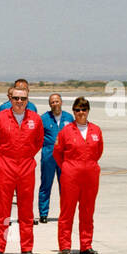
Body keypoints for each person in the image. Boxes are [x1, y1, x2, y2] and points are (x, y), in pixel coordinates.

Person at [0, 78, 43, 254]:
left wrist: (25, 158)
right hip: (6, 168)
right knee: (3, 211)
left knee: (26, 211)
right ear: (10, 99)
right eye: (16, 98)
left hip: (26, 168)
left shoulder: (35, 119)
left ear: (28, 100)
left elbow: (38, 142)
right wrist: (2, 161)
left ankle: (26, 249)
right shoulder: (0, 118)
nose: (20, 102)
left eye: (23, 99)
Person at [54, 97, 103, 254]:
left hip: (90, 174)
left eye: (84, 109)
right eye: (77, 110)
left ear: (88, 111)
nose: (81, 113)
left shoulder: (96, 130)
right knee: (67, 211)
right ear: (73, 112)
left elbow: (99, 151)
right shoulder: (66, 131)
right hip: (71, 174)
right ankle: (65, 246)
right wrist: (69, 167)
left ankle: (86, 245)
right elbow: (58, 153)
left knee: (87, 211)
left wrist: (88, 165)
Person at [39, 93, 74, 223]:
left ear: (61, 102)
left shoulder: (69, 118)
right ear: (50, 104)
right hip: (48, 155)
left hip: (65, 157)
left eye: (57, 101)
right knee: (46, 185)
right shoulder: (44, 118)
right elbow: (37, 137)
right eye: (52, 102)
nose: (55, 104)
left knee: (65, 186)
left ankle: (65, 214)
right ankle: (43, 213)